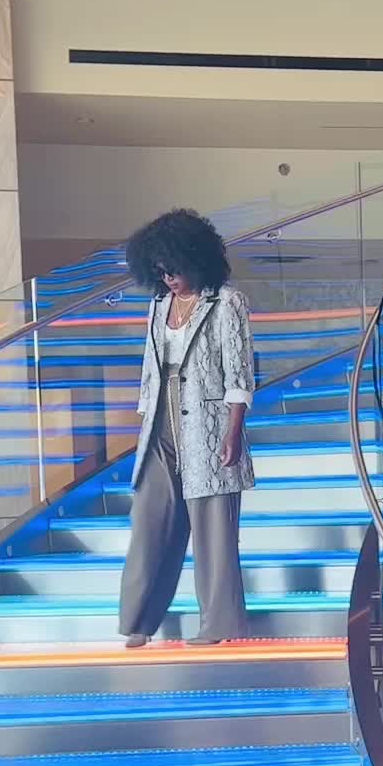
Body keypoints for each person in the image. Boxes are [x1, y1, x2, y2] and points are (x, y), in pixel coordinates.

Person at [119, 208, 255, 647]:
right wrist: (144, 424)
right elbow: (149, 369)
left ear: (196, 258)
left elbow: (239, 372)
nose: (169, 278)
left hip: (209, 424)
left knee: (213, 532)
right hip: (161, 422)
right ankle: (138, 621)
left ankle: (218, 625)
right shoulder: (158, 305)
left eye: (174, 268)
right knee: (149, 521)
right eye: (161, 271)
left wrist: (233, 432)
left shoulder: (227, 302)